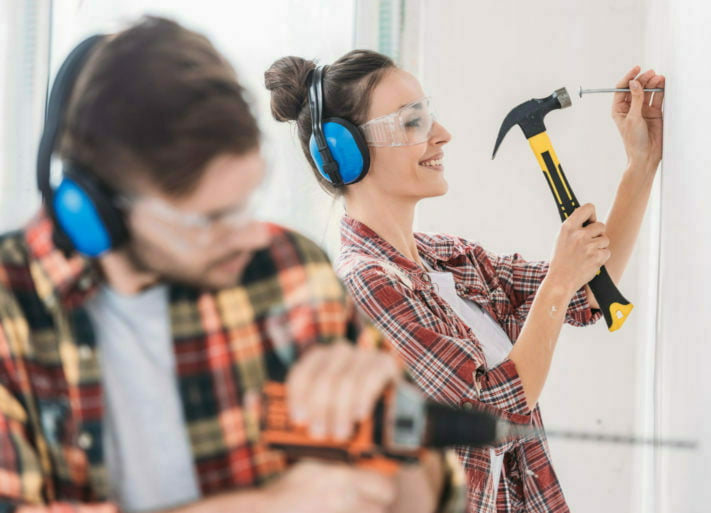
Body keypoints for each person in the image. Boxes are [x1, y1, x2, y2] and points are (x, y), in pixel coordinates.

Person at [0, 18, 465, 513]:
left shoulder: (286, 271)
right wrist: (272, 504)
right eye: (213, 219)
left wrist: (396, 439)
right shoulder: (13, 308)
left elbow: (420, 501)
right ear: (98, 213)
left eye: (248, 200)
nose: (251, 236)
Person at [264, 50, 664, 513]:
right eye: (412, 123)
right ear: (345, 152)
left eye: (427, 116)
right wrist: (560, 278)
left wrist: (641, 163)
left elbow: (591, 286)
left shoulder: (446, 260)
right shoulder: (362, 290)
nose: (442, 135)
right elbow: (494, 412)